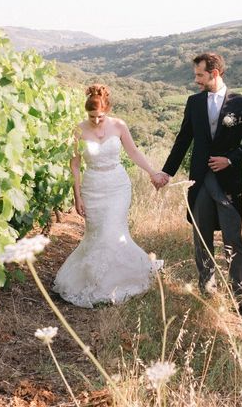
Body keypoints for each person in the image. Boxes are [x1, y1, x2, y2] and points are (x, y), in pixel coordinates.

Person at [154, 53, 242, 319]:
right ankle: (207, 288)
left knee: (233, 240)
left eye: (200, 75)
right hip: (199, 180)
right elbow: (183, 141)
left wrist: (230, 160)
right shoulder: (194, 102)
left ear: (215, 73)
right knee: (201, 238)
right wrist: (167, 172)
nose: (196, 80)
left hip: (228, 183)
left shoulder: (241, 103)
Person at [53, 84, 164, 308]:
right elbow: (75, 165)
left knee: (113, 231)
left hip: (117, 186)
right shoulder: (78, 130)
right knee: (96, 235)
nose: (95, 120)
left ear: (108, 109)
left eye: (100, 116)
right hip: (93, 187)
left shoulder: (119, 125)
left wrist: (152, 172)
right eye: (91, 116)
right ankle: (94, 280)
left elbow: (133, 152)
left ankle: (119, 282)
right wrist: (77, 195)